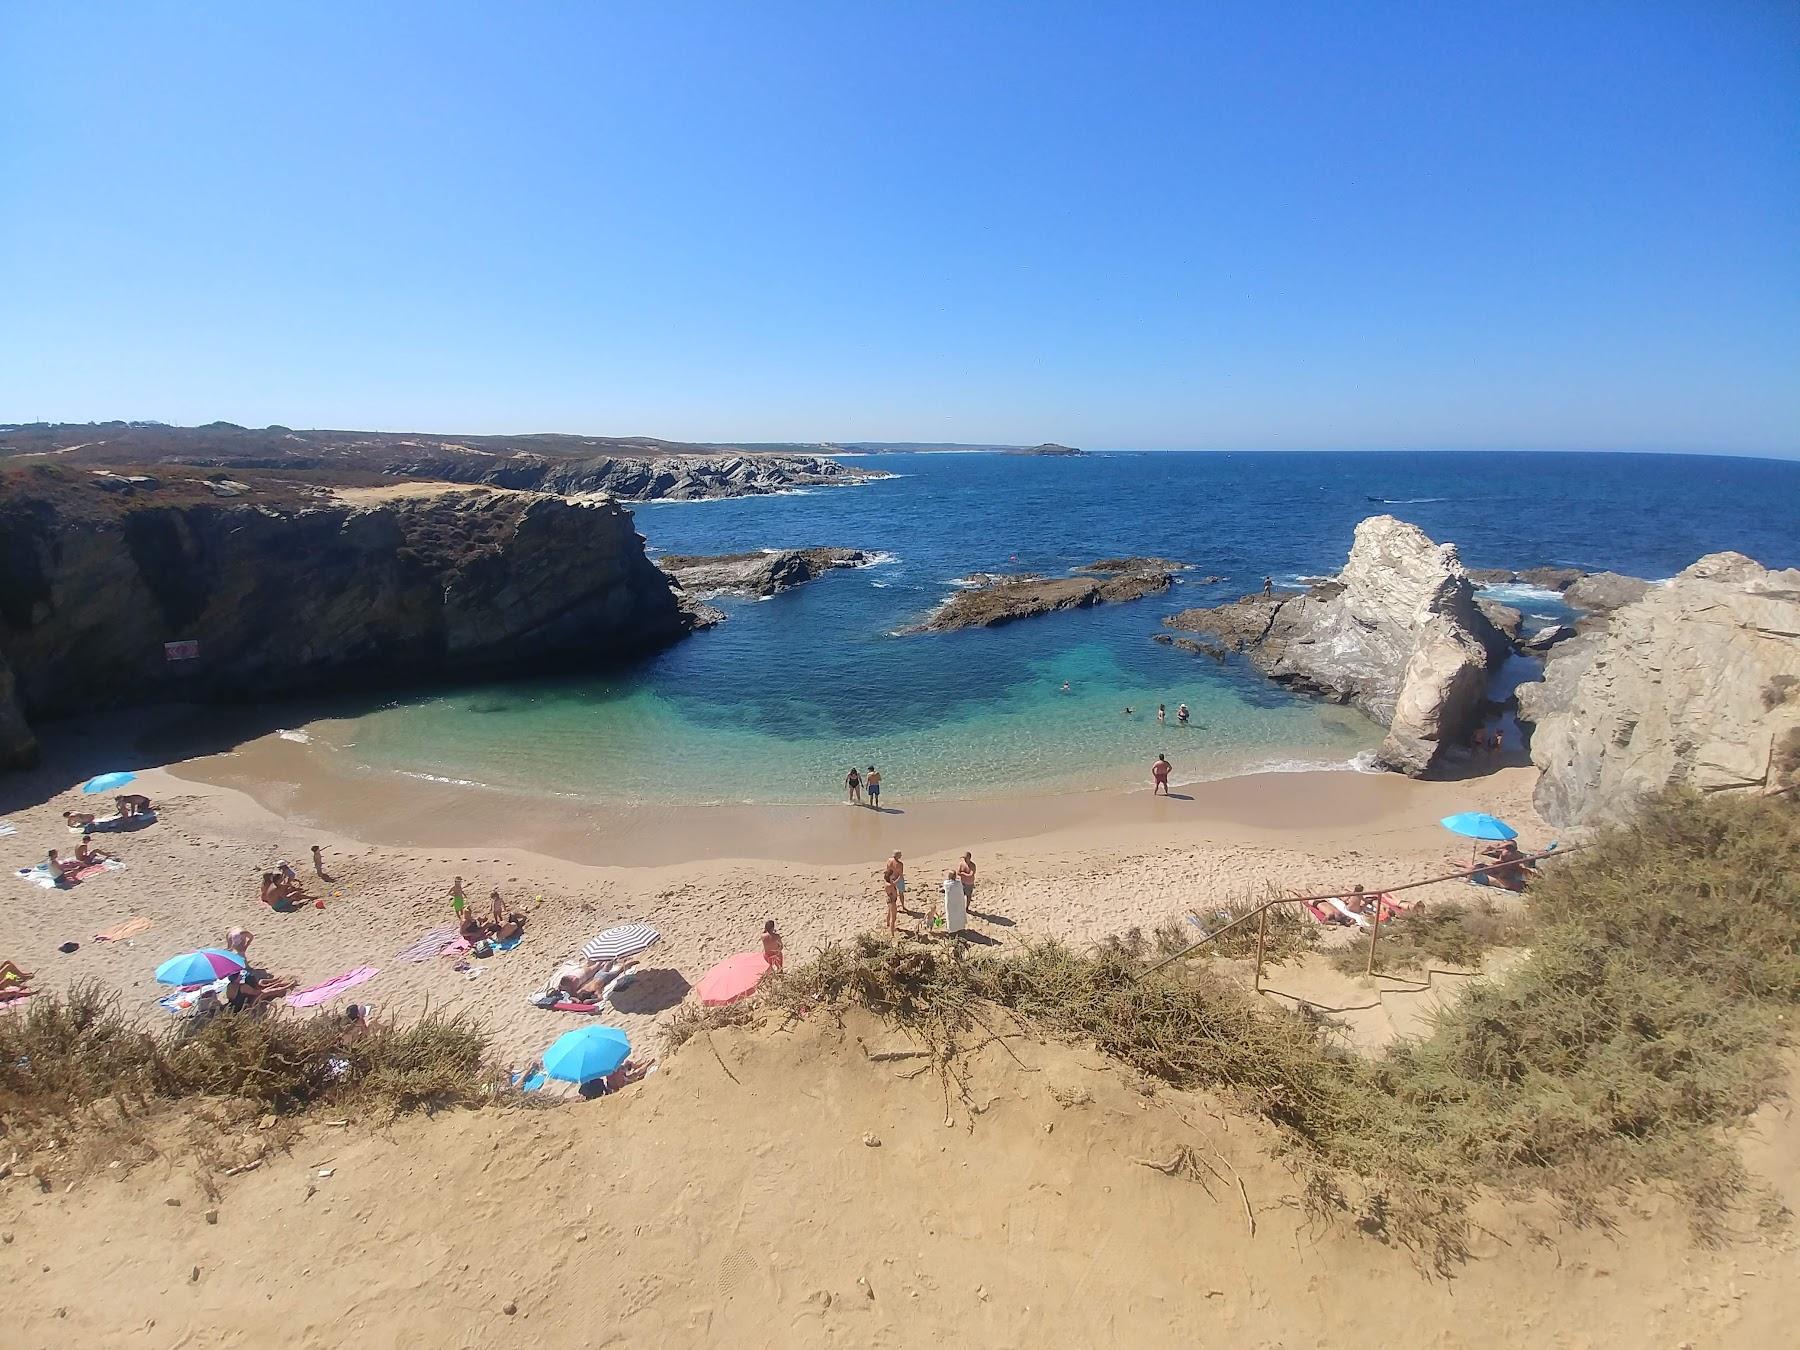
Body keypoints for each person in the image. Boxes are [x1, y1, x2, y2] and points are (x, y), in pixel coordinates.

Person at [578, 1056, 656, 1099]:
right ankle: (646, 1064)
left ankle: (641, 1065)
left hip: (611, 1084)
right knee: (637, 1073)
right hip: (618, 1084)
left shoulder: (607, 1069)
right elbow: (621, 1084)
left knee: (628, 1064)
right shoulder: (614, 1070)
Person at [882, 851, 905, 932]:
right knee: (893, 917)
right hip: (893, 900)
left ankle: (887, 923)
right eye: (900, 854)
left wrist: (890, 877)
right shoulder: (900, 864)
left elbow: (888, 870)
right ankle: (903, 906)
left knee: (889, 912)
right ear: (898, 856)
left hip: (889, 897)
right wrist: (900, 877)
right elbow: (900, 873)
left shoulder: (889, 861)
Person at [942, 869, 967, 935]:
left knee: (951, 915)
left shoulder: (946, 883)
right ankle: (960, 927)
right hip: (959, 901)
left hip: (950, 902)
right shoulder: (959, 883)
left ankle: (951, 929)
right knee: (959, 913)